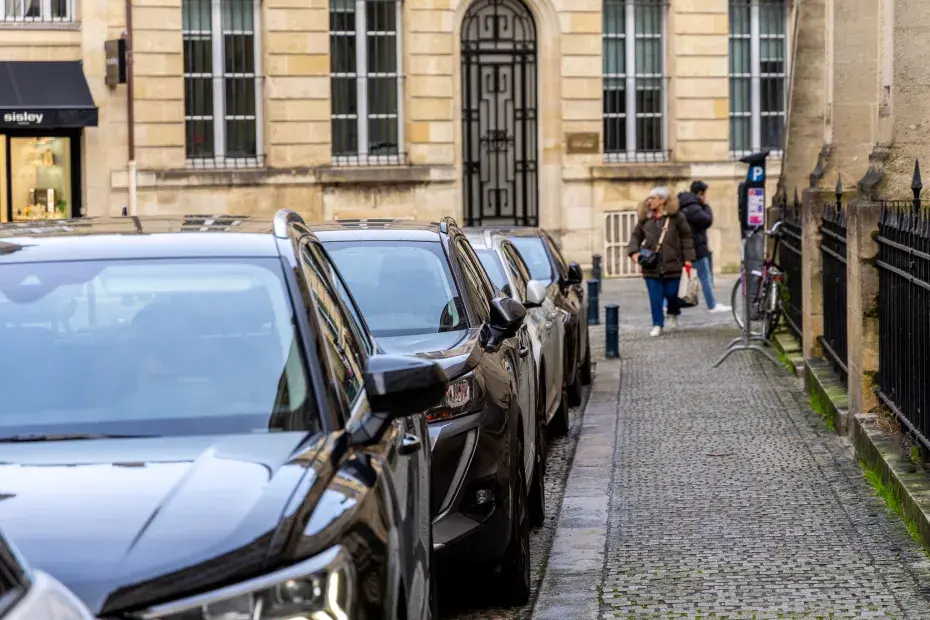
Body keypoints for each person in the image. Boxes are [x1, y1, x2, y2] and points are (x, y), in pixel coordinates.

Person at [628, 186, 696, 337]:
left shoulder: (677, 217)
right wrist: (634, 253)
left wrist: (688, 259)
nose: (649, 201)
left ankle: (673, 312)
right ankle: (657, 324)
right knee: (655, 296)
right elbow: (635, 236)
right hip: (651, 264)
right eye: (649, 198)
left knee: (672, 294)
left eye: (653, 198)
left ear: (662, 200)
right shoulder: (646, 217)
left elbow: (686, 238)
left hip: (673, 264)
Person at [678, 180, 730, 313]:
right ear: (700, 193)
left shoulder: (683, 204)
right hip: (697, 249)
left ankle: (668, 305)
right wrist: (706, 206)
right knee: (705, 278)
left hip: (686, 248)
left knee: (679, 279)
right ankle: (712, 305)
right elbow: (707, 220)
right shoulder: (694, 206)